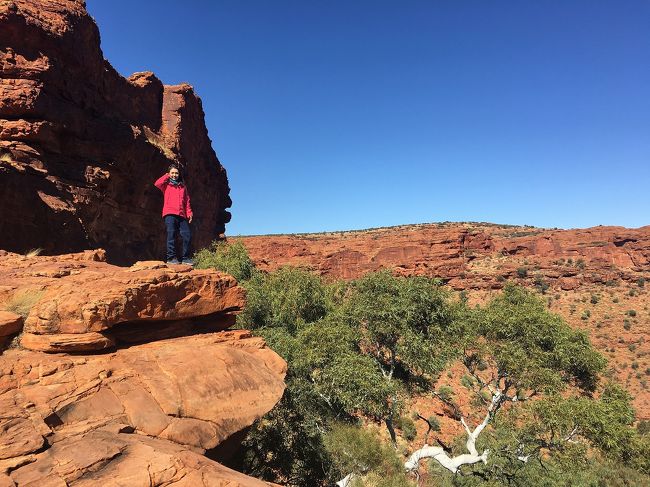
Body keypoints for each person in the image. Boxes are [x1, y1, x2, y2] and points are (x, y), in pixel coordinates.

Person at [154, 164, 194, 265]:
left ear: (179, 174)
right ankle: (171, 258)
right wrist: (167, 175)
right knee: (171, 235)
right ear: (169, 173)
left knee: (187, 235)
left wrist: (189, 213)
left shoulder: (183, 187)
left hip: (181, 214)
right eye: (172, 173)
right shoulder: (166, 185)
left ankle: (186, 258)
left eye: (176, 173)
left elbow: (187, 201)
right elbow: (157, 183)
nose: (174, 175)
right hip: (169, 213)